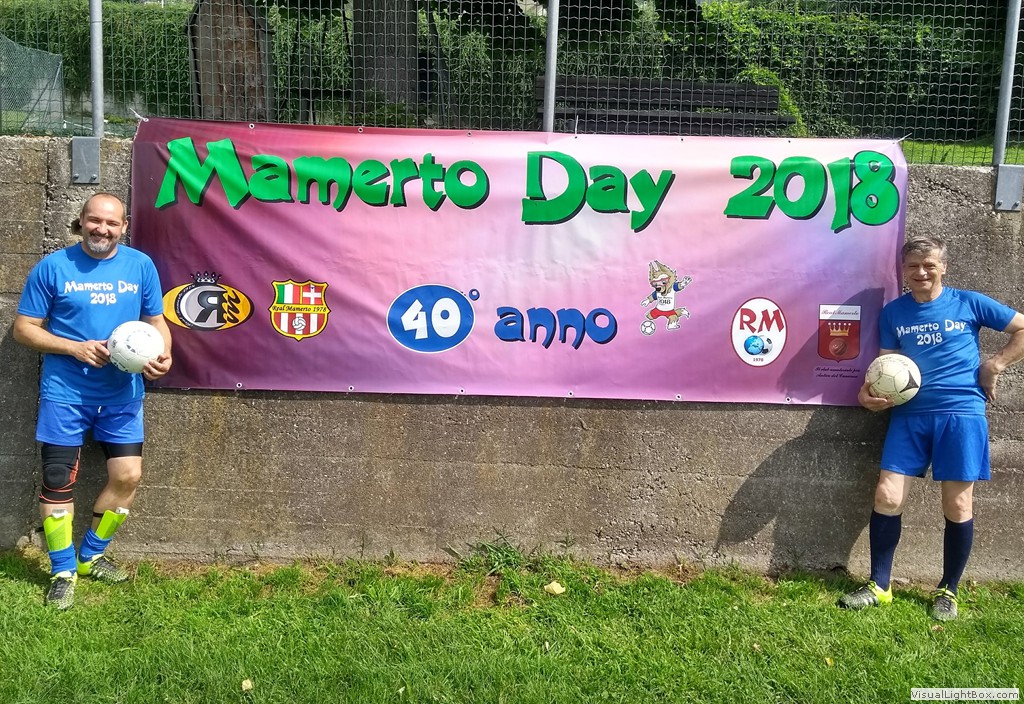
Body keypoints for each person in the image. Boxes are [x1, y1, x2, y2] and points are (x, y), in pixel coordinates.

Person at [838, 235, 1024, 620]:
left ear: (943, 268)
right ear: (903, 271)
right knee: (887, 496)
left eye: (929, 265)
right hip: (909, 416)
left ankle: (948, 590)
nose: (921, 272)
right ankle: (880, 586)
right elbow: (885, 367)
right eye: (913, 266)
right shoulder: (893, 313)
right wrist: (867, 394)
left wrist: (995, 365)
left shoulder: (969, 302)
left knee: (957, 504)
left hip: (961, 413)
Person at [13, 192, 172, 610]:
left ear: (124, 227)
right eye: (95, 220)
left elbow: (156, 320)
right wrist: (73, 348)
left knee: (128, 476)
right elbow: (23, 328)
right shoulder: (53, 267)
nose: (102, 229)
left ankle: (91, 556)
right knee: (57, 479)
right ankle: (63, 570)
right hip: (65, 394)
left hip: (122, 396)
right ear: (81, 221)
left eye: (112, 223)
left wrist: (164, 355)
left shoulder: (141, 266)